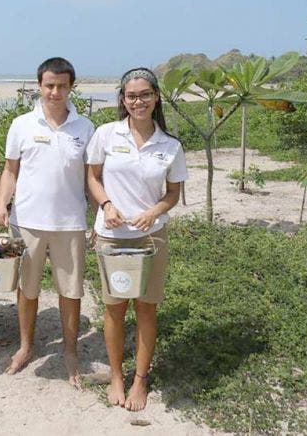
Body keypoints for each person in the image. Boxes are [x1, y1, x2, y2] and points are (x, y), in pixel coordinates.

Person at [85, 67, 187, 411]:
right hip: (112, 236)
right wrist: (106, 204)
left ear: (156, 97)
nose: (138, 101)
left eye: (145, 94)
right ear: (122, 100)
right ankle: (116, 374)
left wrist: (155, 211)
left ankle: (140, 379)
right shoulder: (106, 134)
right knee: (114, 309)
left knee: (146, 308)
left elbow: (173, 193)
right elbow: (93, 177)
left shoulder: (170, 146)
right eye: (131, 96)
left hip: (151, 238)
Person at [0, 57, 95, 387]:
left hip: (71, 222)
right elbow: (10, 171)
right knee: (28, 289)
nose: (55, 92)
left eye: (62, 86)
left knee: (71, 291)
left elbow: (92, 177)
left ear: (71, 87)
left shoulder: (85, 127)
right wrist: (0, 207)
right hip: (28, 221)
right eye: (49, 85)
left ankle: (70, 352)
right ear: (39, 86)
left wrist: (100, 216)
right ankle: (25, 346)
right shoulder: (22, 124)